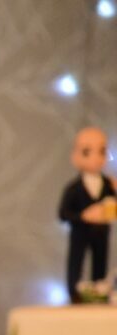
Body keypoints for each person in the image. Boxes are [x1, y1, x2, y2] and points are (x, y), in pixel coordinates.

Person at [59, 125, 114, 298]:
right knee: (76, 261)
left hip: (102, 232)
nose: (96, 158)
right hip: (80, 233)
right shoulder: (74, 188)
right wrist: (83, 216)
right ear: (75, 156)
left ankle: (99, 291)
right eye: (87, 152)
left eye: (102, 151)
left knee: (100, 263)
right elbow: (63, 213)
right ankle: (74, 292)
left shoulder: (108, 185)